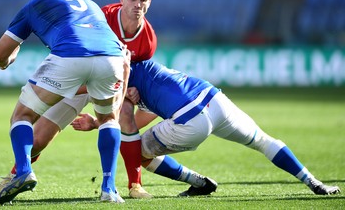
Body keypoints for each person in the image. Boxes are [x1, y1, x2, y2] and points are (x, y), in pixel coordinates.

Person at [72, 59, 341, 196]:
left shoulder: (121, 72)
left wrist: (95, 122)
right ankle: (314, 182)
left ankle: (198, 183)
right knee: (262, 140)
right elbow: (142, 119)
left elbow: (121, 116)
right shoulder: (153, 73)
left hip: (191, 119)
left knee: (135, 152)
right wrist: (97, 123)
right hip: (215, 99)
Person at [0, 0, 156, 199]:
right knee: (109, 119)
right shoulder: (92, 5)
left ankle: (23, 171)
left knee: (23, 115)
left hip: (71, 60)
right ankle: (109, 189)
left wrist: (8, 60)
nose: (137, 5)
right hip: (109, 62)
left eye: (143, 0)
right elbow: (123, 62)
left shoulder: (35, 5)